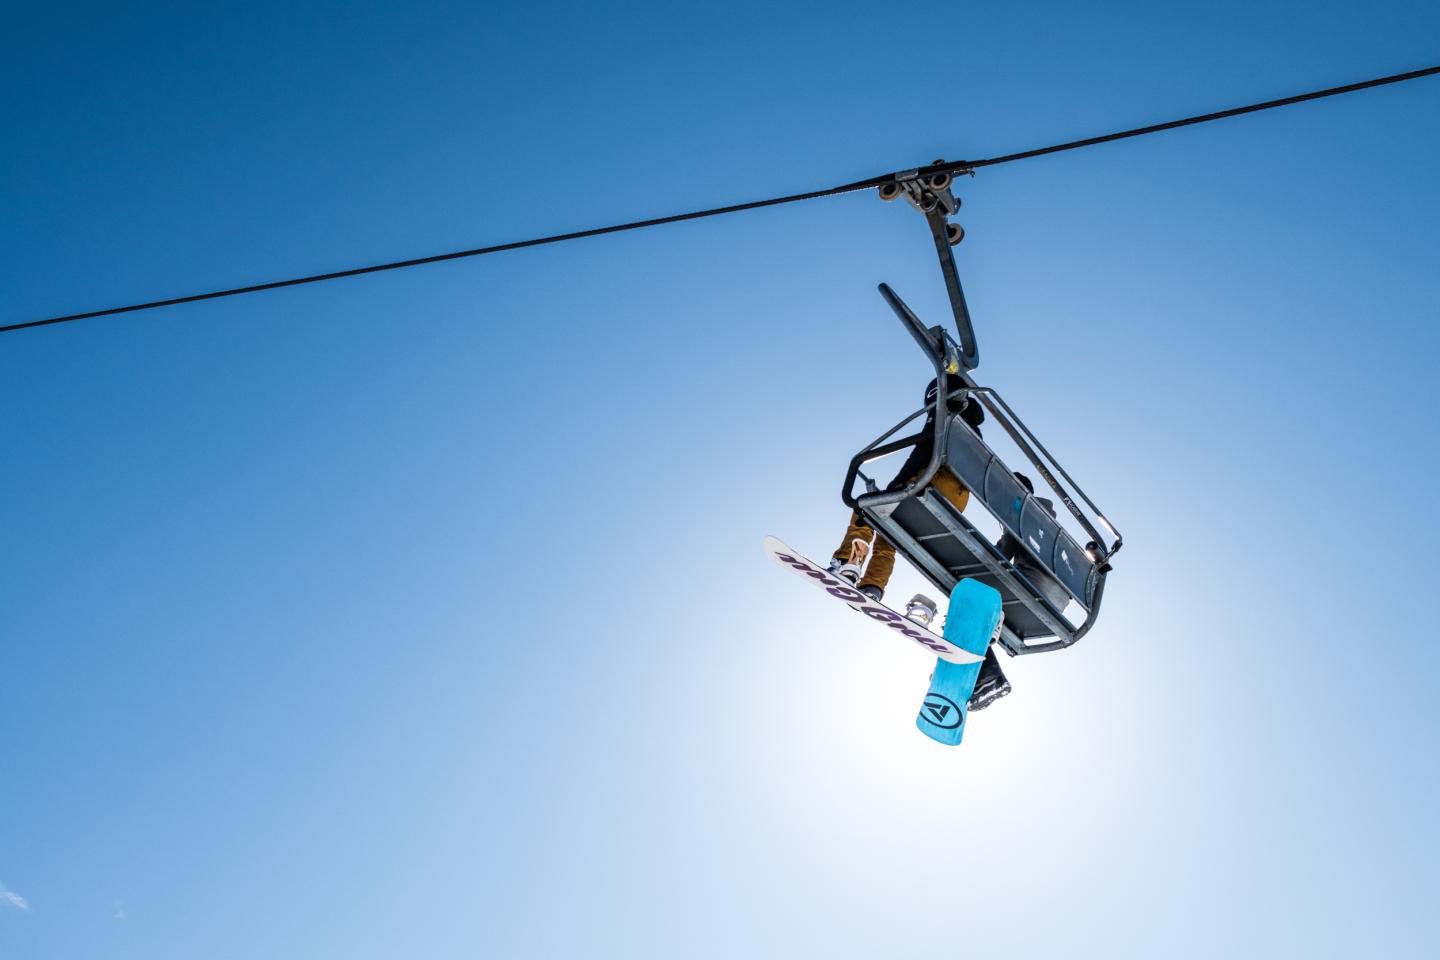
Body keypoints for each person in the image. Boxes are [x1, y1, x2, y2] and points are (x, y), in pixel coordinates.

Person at [827, 372, 984, 602]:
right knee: (889, 534)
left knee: (866, 508)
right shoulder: (975, 432)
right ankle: (872, 586)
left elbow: (922, 450)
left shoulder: (944, 413)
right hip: (954, 502)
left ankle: (847, 562)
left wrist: (894, 486)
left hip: (930, 487)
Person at [968, 471, 1072, 711]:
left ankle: (986, 674)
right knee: (983, 608)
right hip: (1056, 602)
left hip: (1034, 585)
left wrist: (976, 559)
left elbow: (1004, 550)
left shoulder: (1021, 508)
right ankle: (981, 672)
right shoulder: (1048, 519)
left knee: (970, 598)